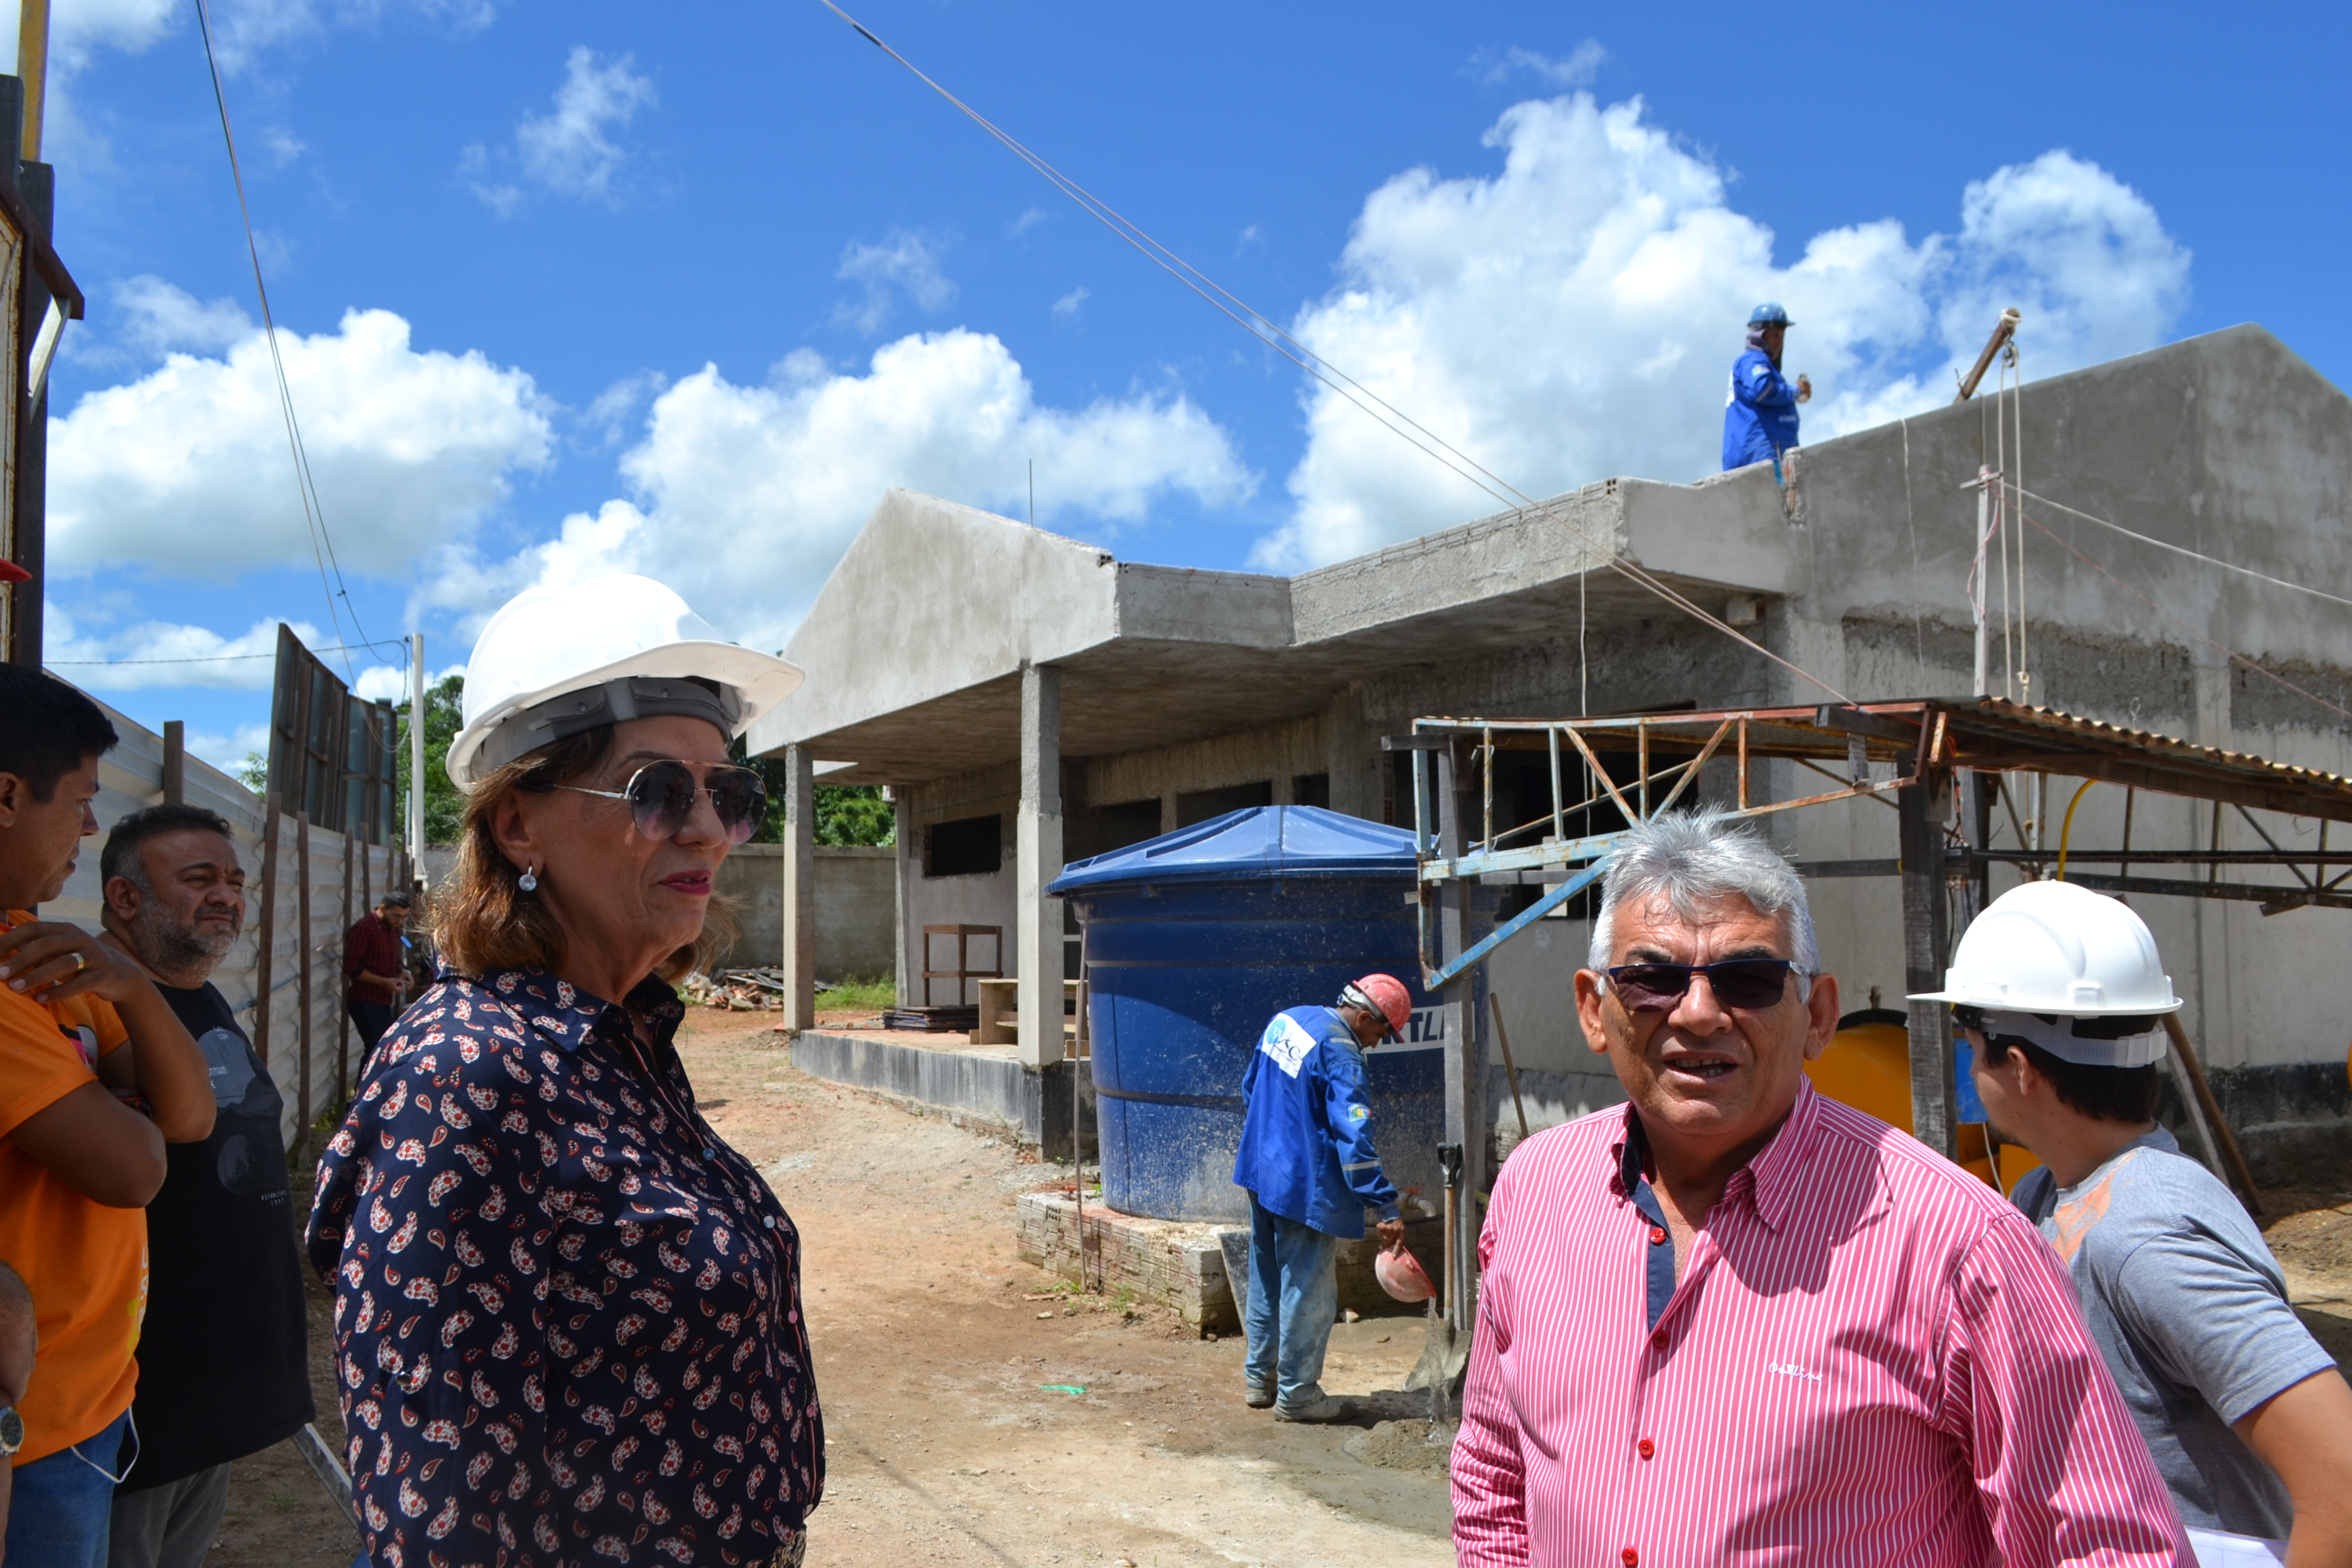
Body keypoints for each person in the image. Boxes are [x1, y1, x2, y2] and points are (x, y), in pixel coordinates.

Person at [1453, 811, 2189, 1567]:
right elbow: (1493, 1474)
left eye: (1749, 979)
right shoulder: (1535, 1192)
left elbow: (2111, 1547)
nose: (1699, 1013)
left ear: (1819, 1016)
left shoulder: (1958, 1244)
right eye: (1652, 980)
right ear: (1593, 1010)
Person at [306, 574, 823, 1567]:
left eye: (728, 793)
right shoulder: (464, 1076)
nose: (710, 829)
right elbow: (440, 1521)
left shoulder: (618, 1040)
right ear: (517, 825)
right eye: (658, 791)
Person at [1927, 879, 2352, 1563]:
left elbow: (2342, 1482)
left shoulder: (2150, 1233)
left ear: (2019, 1065)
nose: (1969, 1068)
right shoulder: (2046, 1196)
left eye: (1971, 1046)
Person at [0, 665, 214, 1568]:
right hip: (29, 1427)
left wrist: (131, 985)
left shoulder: (34, 950)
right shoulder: (16, 985)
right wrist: (129, 1109)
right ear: (8, 795)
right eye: (81, 802)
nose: (90, 828)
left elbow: (190, 1114)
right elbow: (137, 1166)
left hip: (86, 1398)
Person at [97, 804, 314, 1568]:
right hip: (138, 1388)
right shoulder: (90, 1005)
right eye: (198, 879)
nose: (225, 895)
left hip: (220, 1373)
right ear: (126, 900)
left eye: (234, 880)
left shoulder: (199, 994)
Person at [1230, 973, 1410, 1423]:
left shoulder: (1288, 1020)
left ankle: (1260, 1380)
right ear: (1365, 1017)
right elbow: (1355, 1137)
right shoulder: (1343, 1053)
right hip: (1303, 1189)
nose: (1377, 1043)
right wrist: (1383, 1204)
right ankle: (1298, 1397)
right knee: (1308, 1292)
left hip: (1260, 1171)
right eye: (1382, 1032)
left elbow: (1252, 1088)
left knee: (1267, 1277)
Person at [1721, 302, 1811, 473]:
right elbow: (1761, 389)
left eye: (1781, 337)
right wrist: (1797, 390)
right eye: (1774, 336)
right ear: (1759, 335)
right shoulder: (1753, 360)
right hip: (1762, 456)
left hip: (1766, 455)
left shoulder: (1759, 364)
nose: (1778, 342)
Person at [340, 888, 410, 1056]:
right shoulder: (364, 929)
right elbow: (351, 967)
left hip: (383, 1001)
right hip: (364, 1001)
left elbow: (394, 958)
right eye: (396, 915)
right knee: (377, 1052)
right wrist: (384, 982)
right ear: (383, 909)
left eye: (404, 917)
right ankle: (365, 1084)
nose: (400, 921)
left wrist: (403, 971)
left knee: (382, 1051)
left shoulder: (392, 929)